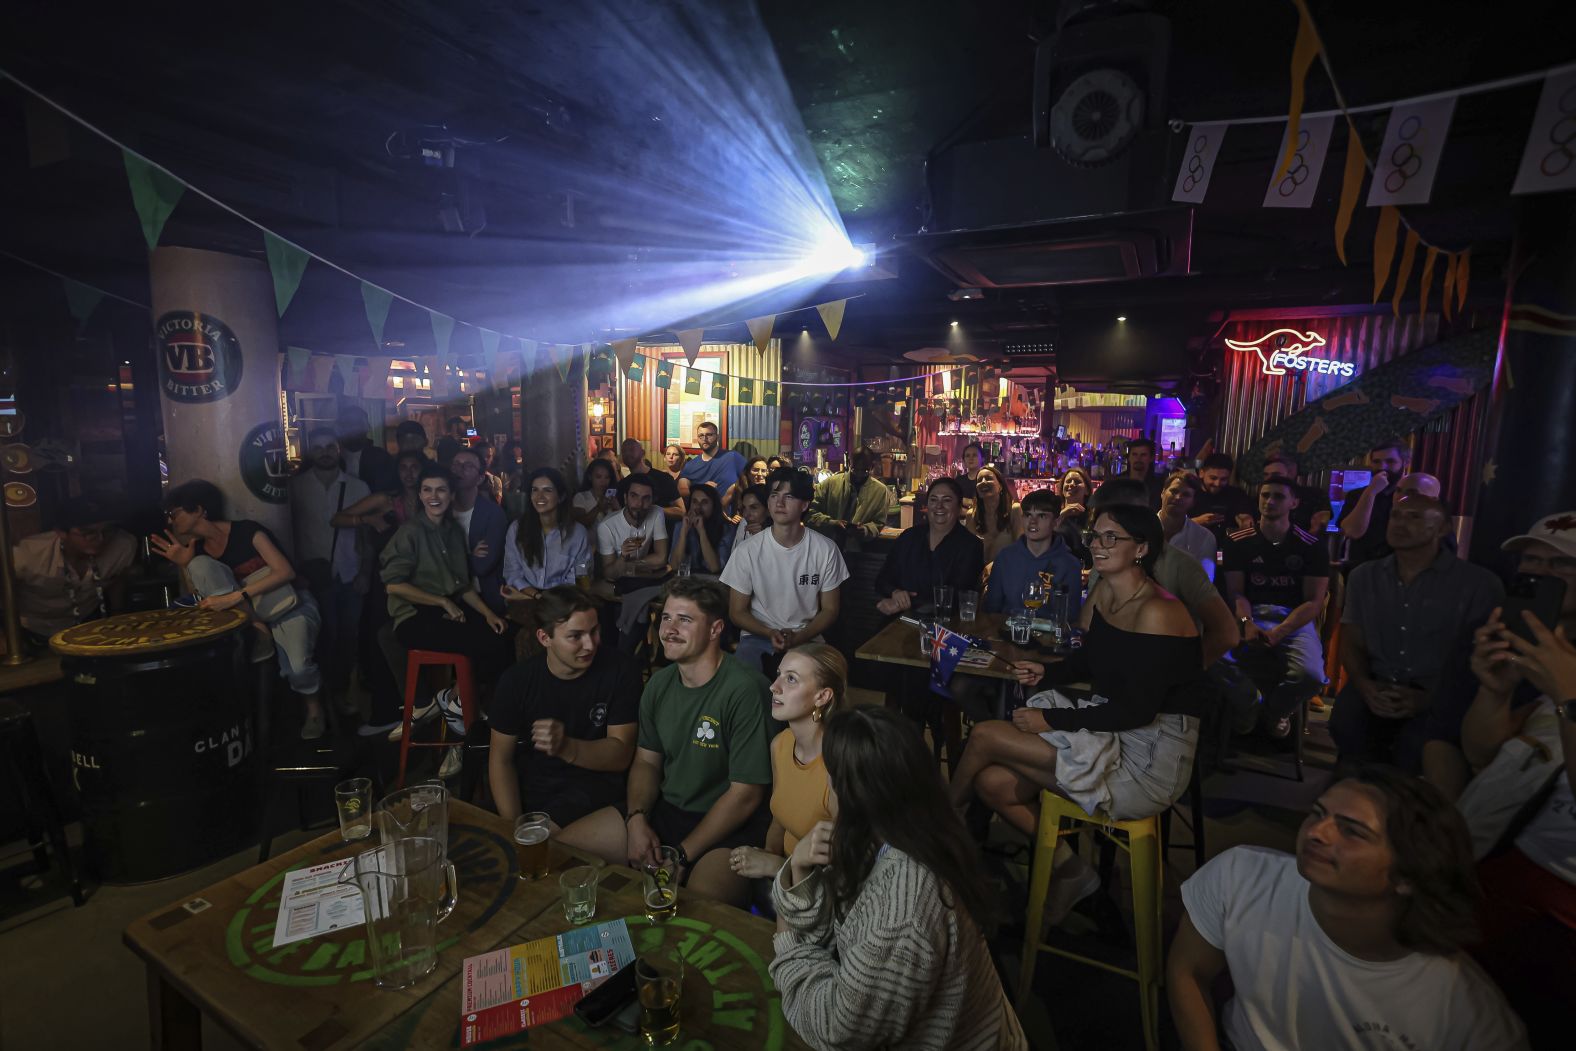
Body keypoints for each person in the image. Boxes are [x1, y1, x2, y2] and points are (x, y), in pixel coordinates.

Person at [951, 505, 1204, 915]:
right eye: (1095, 537)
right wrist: (1045, 674)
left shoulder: (1159, 611)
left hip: (1149, 755)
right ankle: (1073, 871)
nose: (1098, 547)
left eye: (1111, 538)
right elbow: (1089, 661)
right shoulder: (1105, 590)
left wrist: (1050, 718)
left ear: (1140, 548)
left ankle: (940, 835)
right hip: (1111, 726)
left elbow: (1136, 712)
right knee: (993, 783)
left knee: (983, 736)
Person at [1167, 768, 1527, 1051]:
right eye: (1317, 813)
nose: (1317, 832)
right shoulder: (1241, 874)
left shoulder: (1464, 1012)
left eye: (1352, 831)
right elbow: (1188, 970)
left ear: (1409, 875)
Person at [769, 707, 1028, 1051]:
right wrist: (799, 868)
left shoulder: (903, 911)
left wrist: (787, 945)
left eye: (828, 772)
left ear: (850, 789)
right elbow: (830, 929)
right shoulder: (895, 833)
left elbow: (838, 1031)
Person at [1432, 524, 1576, 1046]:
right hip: (1502, 861)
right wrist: (1495, 691)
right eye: (1532, 565)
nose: (1538, 576)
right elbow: (1484, 754)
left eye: (1560, 565)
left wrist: (1568, 695)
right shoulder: (1549, 656)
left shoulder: (1564, 674)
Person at [558, 577, 773, 904]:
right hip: (667, 809)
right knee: (561, 850)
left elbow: (745, 795)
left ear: (715, 630)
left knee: (696, 907)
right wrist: (637, 819)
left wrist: (682, 856)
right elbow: (646, 762)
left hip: (728, 827)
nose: (669, 629)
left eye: (685, 620)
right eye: (666, 617)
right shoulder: (659, 684)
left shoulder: (745, 689)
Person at [1331, 493, 1502, 772]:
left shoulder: (1478, 584)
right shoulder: (1364, 576)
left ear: (1443, 528)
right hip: (1378, 681)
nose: (1400, 523)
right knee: (1346, 725)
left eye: (1414, 517)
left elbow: (1479, 657)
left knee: (1419, 747)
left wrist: (1430, 698)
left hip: (1441, 690)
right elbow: (1352, 638)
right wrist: (1364, 685)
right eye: (1395, 516)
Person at [153, 481, 325, 738]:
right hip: (251, 615)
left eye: (174, 513)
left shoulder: (247, 531)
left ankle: (314, 710)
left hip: (290, 603)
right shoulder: (198, 551)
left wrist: (236, 595)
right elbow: (202, 596)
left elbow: (285, 572)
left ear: (199, 510)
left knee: (298, 668)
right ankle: (258, 629)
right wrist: (185, 564)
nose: (170, 521)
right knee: (200, 565)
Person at [379, 463, 510, 759]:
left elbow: (462, 585)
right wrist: (442, 602)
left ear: (451, 494)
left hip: (448, 610)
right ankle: (462, 720)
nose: (434, 496)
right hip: (413, 617)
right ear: (420, 495)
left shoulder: (451, 531)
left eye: (440, 490)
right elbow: (393, 586)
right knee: (481, 643)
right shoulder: (410, 532)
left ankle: (454, 703)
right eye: (427, 490)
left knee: (501, 633)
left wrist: (489, 614)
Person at [487, 587, 638, 828]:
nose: (590, 645)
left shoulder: (620, 670)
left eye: (595, 631)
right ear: (544, 638)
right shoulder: (516, 681)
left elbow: (621, 755)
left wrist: (566, 746)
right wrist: (513, 828)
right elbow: (500, 760)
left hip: (597, 786)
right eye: (575, 636)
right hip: (538, 787)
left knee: (549, 842)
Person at [1222, 476, 1331, 737]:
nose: (1269, 501)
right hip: (1249, 614)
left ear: (1294, 502)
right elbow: (1236, 592)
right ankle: (1249, 703)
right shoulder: (1237, 540)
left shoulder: (1311, 545)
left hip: (1293, 619)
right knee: (1212, 658)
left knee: (1311, 677)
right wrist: (1247, 624)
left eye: (1278, 496)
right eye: (1265, 495)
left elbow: (1313, 602)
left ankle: (1275, 711)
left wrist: (1279, 632)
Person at [1089, 479, 1239, 667]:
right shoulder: (1104, 561)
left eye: (1116, 516)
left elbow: (1226, 633)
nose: (1103, 522)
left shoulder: (1180, 565)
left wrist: (1182, 675)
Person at [727, 644, 843, 884]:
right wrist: (769, 854)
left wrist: (776, 867)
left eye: (791, 679)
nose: (774, 686)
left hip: (820, 892)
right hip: (784, 879)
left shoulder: (838, 767)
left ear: (822, 696)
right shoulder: (781, 744)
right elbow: (779, 818)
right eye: (779, 674)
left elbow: (847, 871)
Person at [720, 468, 848, 677]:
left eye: (788, 497)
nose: (779, 503)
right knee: (744, 686)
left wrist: (799, 637)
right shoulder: (748, 551)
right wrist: (770, 632)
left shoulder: (825, 549)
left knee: (823, 683)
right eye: (773, 496)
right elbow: (737, 612)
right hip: (757, 636)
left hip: (808, 636)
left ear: (804, 504)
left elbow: (830, 609)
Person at [288, 426, 370, 711]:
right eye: (319, 447)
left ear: (339, 451)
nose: (324, 452)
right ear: (311, 452)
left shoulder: (358, 487)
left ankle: (343, 693)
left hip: (349, 573)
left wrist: (365, 573)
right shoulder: (295, 488)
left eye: (329, 447)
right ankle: (320, 701)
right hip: (312, 577)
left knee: (349, 637)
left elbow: (367, 535)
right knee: (322, 638)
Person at [11, 498, 136, 642]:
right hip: (31, 629)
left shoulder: (123, 545)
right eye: (88, 532)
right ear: (61, 533)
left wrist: (118, 614)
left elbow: (118, 578)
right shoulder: (27, 554)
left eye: (107, 530)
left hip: (89, 625)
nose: (100, 538)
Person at [873, 477, 983, 616]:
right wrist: (895, 592)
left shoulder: (971, 546)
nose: (939, 506)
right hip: (899, 624)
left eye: (947, 500)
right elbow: (882, 580)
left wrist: (904, 604)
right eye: (933, 499)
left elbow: (957, 598)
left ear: (959, 506)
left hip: (945, 629)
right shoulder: (909, 537)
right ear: (927, 505)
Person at [597, 473, 671, 651]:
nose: (639, 504)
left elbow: (661, 558)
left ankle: (634, 654)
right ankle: (622, 654)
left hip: (639, 580)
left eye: (646, 498)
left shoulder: (656, 513)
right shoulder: (606, 527)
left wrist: (627, 566)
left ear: (652, 500)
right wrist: (623, 557)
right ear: (625, 497)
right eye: (634, 496)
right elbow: (609, 573)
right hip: (620, 585)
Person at [982, 488, 1082, 617]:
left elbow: (1070, 618)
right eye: (1028, 515)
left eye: (1041, 515)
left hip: (1048, 635)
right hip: (1007, 633)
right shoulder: (1005, 557)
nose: (1032, 522)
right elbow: (991, 610)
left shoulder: (1070, 565)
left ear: (1055, 523)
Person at [500, 468, 591, 599]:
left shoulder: (577, 533)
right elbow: (512, 572)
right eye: (535, 490)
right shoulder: (517, 528)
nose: (539, 496)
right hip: (526, 596)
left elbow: (580, 573)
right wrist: (536, 596)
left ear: (561, 496)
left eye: (547, 490)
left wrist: (550, 601)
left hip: (563, 600)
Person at [447, 447, 507, 616]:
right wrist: (470, 556)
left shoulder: (492, 514)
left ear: (480, 478)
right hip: (450, 598)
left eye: (467, 466)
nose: (459, 469)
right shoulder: (442, 512)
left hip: (485, 597)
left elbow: (483, 566)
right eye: (455, 464)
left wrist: (450, 562)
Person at [1337, 441, 1409, 571]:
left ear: (1405, 463)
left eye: (1390, 461)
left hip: (1400, 571)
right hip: (1361, 569)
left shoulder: (1415, 497)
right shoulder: (1357, 495)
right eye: (1377, 462)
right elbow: (1352, 531)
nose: (1383, 467)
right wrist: (1370, 492)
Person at [806, 450, 895, 546]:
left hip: (858, 551)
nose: (859, 475)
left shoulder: (880, 491)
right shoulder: (830, 484)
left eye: (864, 471)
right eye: (855, 469)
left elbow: (878, 522)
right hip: (826, 546)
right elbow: (809, 513)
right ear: (849, 463)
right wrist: (831, 523)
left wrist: (865, 530)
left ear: (872, 467)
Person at [1159, 471, 1218, 580]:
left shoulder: (1204, 537)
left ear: (1193, 502)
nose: (1178, 497)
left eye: (1186, 495)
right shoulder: (1141, 529)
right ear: (1162, 493)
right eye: (1174, 491)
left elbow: (1205, 582)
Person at [678, 420, 745, 511]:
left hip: (729, 519)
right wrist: (703, 489)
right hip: (701, 517)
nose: (705, 438)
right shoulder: (690, 466)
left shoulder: (733, 457)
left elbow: (748, 480)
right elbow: (682, 489)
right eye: (701, 435)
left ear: (717, 437)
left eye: (709, 435)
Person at [668, 481, 731, 576]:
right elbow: (675, 566)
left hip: (713, 582)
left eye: (704, 502)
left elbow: (714, 567)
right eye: (694, 502)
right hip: (686, 582)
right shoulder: (681, 526)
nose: (698, 507)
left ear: (714, 506)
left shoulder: (726, 528)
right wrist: (684, 532)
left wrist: (701, 531)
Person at [1193, 452, 1256, 543]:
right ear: (1201, 473)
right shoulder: (1190, 493)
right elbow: (1172, 523)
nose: (1217, 483)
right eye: (1213, 478)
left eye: (1223, 479)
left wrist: (1245, 520)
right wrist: (1197, 522)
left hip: (1225, 549)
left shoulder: (1236, 494)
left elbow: (1244, 514)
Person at [1263, 453, 1332, 534]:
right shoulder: (1261, 498)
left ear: (1292, 473)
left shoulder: (1315, 495)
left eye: (1276, 474)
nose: (1269, 479)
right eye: (1266, 475)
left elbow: (1322, 523)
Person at [334, 405, 396, 492]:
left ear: (367, 427)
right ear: (340, 428)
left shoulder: (381, 458)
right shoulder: (332, 459)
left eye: (357, 423)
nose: (353, 427)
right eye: (348, 423)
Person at [967, 463, 1021, 563]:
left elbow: (1021, 551)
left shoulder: (1014, 510)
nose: (983, 482)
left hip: (1007, 572)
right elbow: (969, 555)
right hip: (980, 575)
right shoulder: (972, 516)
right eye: (979, 480)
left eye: (988, 478)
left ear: (1000, 486)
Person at [620, 438, 681, 519]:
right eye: (624, 451)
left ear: (643, 453)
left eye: (631, 449)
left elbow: (681, 512)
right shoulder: (623, 484)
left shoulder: (664, 479)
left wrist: (654, 510)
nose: (627, 453)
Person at [1056, 466, 1093, 567]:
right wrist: (1063, 514)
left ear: (1087, 491)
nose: (1071, 484)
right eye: (1068, 481)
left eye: (1077, 481)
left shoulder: (1093, 518)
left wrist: (1091, 574)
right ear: (1062, 489)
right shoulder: (1054, 515)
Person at [1116, 437, 1165, 510]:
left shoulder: (1159, 486)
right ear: (1129, 457)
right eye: (1134, 454)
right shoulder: (1117, 483)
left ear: (1151, 458)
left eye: (1143, 455)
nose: (1138, 458)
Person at [572, 459, 620, 531]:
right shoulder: (581, 497)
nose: (603, 481)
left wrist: (618, 509)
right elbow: (580, 523)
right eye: (598, 477)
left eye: (607, 477)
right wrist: (598, 508)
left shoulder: (612, 497)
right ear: (590, 477)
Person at [732, 483, 770, 553]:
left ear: (768, 510)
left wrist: (763, 538)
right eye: (744, 508)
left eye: (753, 508)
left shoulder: (781, 534)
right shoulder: (744, 523)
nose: (746, 514)